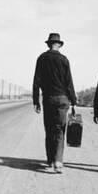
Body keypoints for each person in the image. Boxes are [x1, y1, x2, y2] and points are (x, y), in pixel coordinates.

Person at [32, 33, 77, 173]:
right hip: (63, 99)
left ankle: (50, 160)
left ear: (48, 44)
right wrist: (74, 101)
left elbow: (36, 82)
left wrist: (36, 101)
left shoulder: (42, 58)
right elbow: (69, 82)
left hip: (48, 99)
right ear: (59, 45)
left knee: (49, 129)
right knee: (59, 129)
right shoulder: (64, 60)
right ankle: (58, 161)